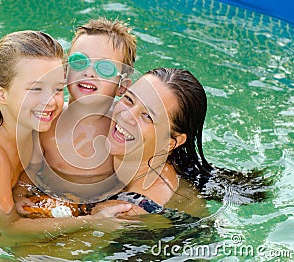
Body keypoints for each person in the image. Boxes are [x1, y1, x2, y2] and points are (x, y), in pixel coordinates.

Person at [0, 30, 132, 242]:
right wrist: (92, 221)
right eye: (35, 89)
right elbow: (11, 228)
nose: (50, 102)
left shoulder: (36, 127)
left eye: (58, 88)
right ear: (0, 93)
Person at [93, 68, 270, 217]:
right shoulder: (159, 160)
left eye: (147, 116)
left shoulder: (129, 208)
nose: (126, 115)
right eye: (129, 100)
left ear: (171, 142)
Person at [37, 17, 136, 184]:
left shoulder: (122, 131)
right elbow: (26, 175)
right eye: (79, 62)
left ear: (122, 86)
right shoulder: (47, 123)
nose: (89, 72)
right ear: (65, 70)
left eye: (105, 67)